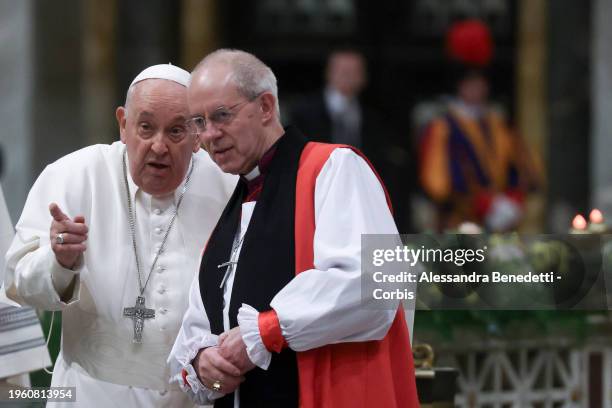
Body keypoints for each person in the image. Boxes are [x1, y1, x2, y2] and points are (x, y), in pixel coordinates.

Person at [169, 49, 419, 407]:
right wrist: (201, 362)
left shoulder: (334, 168)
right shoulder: (233, 208)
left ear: (267, 106)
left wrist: (266, 331)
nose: (209, 135)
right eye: (199, 122)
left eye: (222, 115)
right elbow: (200, 321)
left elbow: (374, 288)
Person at [4, 64, 237, 407]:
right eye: (145, 128)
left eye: (176, 131)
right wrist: (59, 264)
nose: (159, 146)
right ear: (123, 124)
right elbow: (19, 285)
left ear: (198, 135)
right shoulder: (72, 176)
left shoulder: (230, 188)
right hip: (92, 396)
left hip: (196, 397)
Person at [418, 20, 540, 232]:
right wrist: (485, 204)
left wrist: (512, 201)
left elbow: (521, 171)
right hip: (458, 228)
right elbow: (439, 184)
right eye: (470, 83)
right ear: (459, 85)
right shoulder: (442, 128)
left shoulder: (500, 125)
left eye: (480, 82)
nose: (476, 88)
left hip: (504, 227)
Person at [290, 49, 411, 231]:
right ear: (329, 74)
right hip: (316, 196)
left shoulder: (374, 117)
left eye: (354, 72)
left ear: (364, 78)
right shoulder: (304, 113)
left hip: (360, 198)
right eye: (342, 71)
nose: (347, 77)